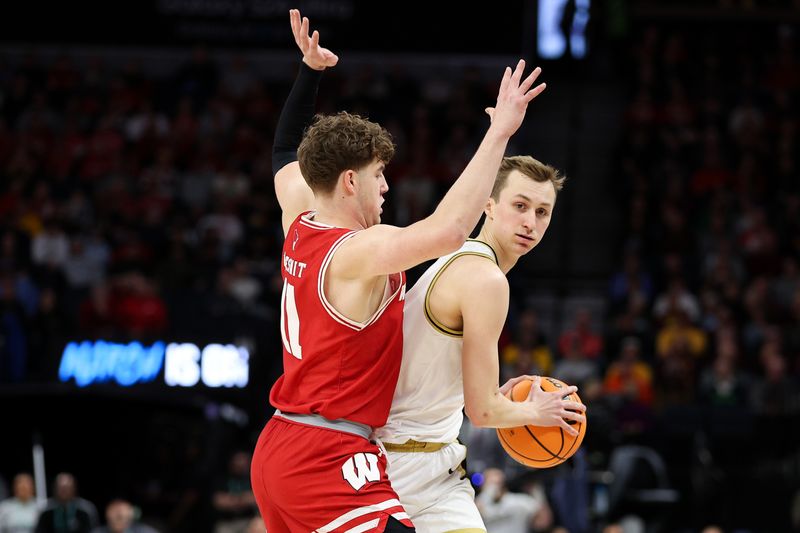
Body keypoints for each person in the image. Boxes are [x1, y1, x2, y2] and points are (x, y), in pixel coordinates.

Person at [250, 8, 546, 533]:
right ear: (348, 182)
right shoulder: (355, 253)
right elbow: (451, 230)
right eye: (378, 175)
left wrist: (310, 72)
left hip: (283, 443)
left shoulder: (299, 216)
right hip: (326, 451)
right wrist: (499, 133)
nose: (385, 187)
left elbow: (282, 149)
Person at [374, 155, 587, 531]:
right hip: (401, 465)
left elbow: (437, 372)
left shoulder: (459, 259)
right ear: (489, 205)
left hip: (431, 459)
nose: (530, 222)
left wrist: (489, 395)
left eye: (542, 212)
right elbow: (483, 413)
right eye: (519, 206)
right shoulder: (486, 279)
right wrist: (537, 413)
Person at [89, 500, 158, 533]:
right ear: (107, 515)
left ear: (131, 516)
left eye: (123, 512)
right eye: (115, 511)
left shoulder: (145, 531)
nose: (119, 515)